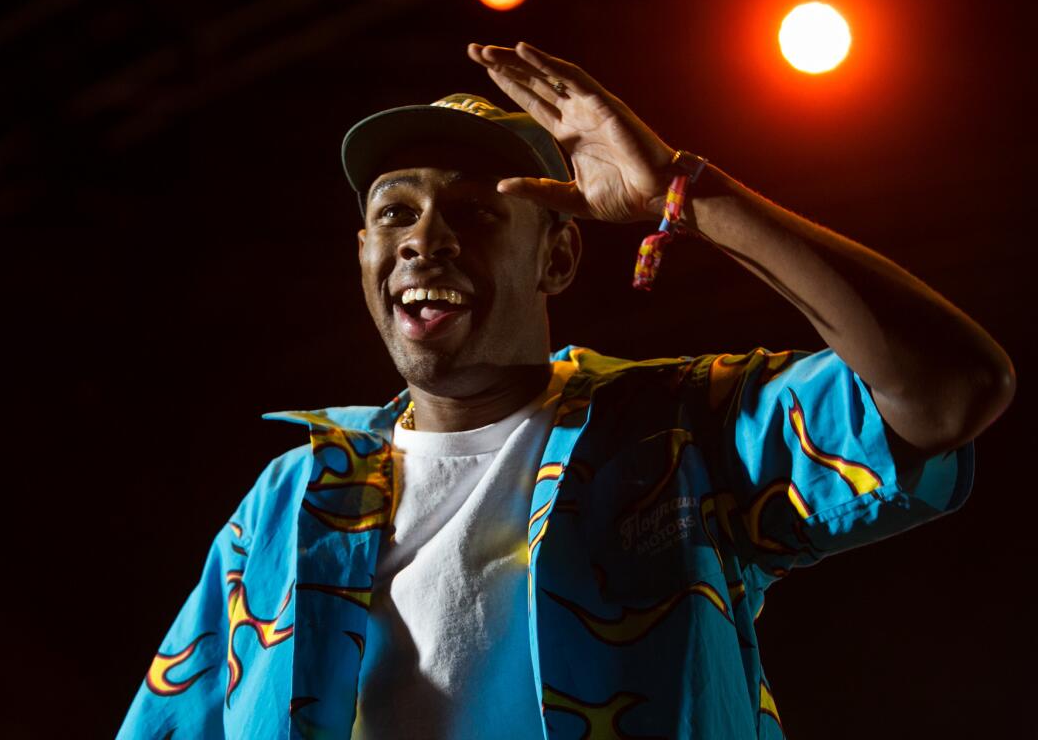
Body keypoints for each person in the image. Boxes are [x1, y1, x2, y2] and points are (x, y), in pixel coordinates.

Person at [117, 42, 1014, 739]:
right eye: (395, 213)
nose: (425, 240)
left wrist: (686, 194)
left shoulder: (677, 434)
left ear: (557, 255)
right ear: (362, 255)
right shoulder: (284, 506)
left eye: (475, 212)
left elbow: (952, 390)